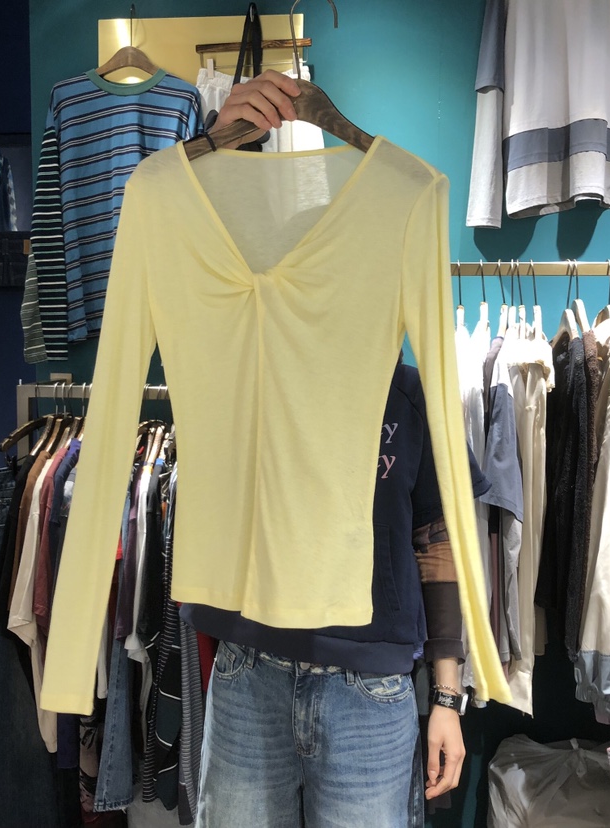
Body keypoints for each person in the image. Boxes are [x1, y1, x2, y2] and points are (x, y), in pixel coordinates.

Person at [179, 80, 483, 813]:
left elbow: (436, 539)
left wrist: (447, 696)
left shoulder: (408, 392)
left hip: (371, 689)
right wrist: (210, 147)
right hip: (250, 671)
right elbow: (172, 246)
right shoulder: (241, 377)